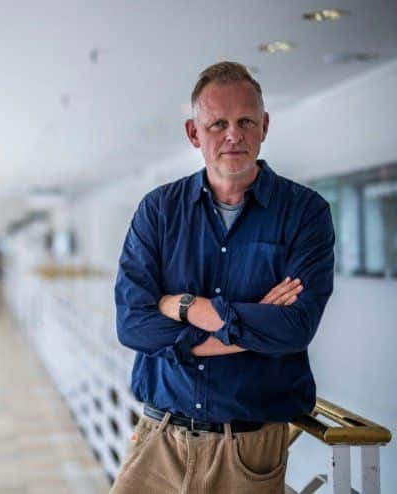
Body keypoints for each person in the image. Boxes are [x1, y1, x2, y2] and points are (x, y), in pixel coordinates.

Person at [110, 61, 335, 493]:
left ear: (264, 126)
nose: (234, 135)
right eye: (218, 124)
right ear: (194, 133)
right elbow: (133, 324)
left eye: (246, 121)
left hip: (248, 450)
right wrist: (250, 326)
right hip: (158, 440)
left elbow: (294, 328)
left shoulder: (305, 213)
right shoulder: (158, 211)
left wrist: (184, 306)